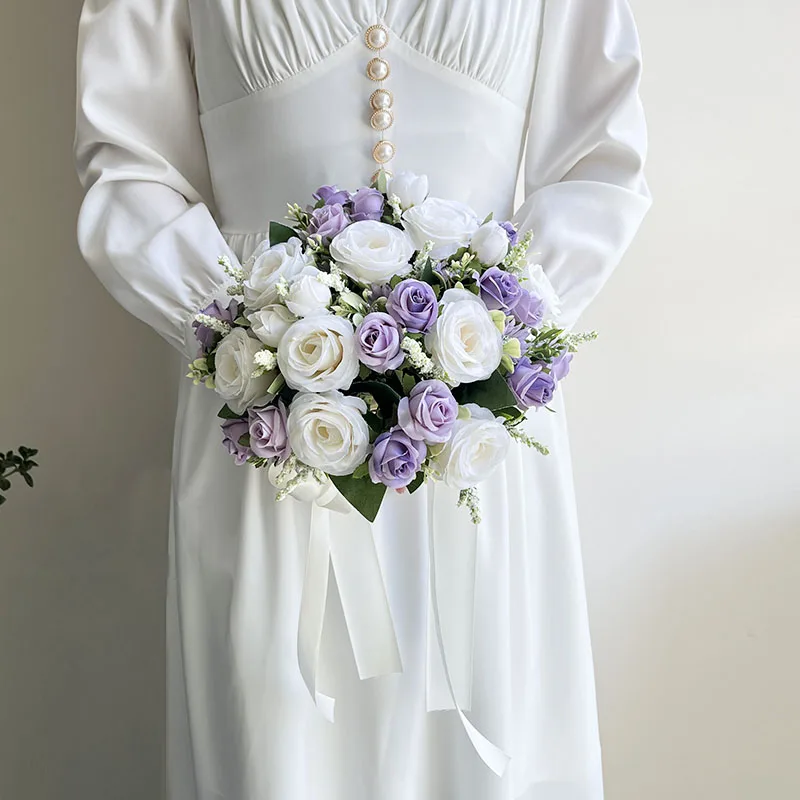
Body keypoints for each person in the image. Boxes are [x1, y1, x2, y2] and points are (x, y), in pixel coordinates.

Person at [74, 2, 651, 798]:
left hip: (478, 426)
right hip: (269, 421)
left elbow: (600, 159)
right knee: (277, 733)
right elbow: (128, 165)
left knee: (489, 726)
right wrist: (242, 328)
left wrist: (501, 324)